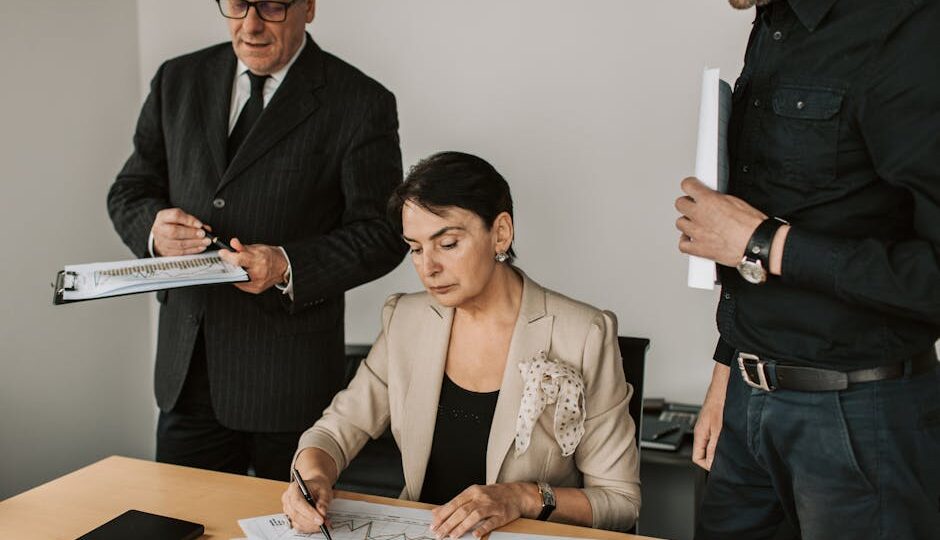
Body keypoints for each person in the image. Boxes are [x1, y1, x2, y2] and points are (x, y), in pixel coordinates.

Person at [107, 0, 405, 480]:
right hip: (187, 378)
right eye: (238, 4)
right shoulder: (176, 80)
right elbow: (130, 190)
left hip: (290, 386)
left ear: (307, 8)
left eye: (270, 5)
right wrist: (154, 229)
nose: (250, 25)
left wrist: (287, 265)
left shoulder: (361, 101)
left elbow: (385, 233)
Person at [675, 0, 940, 538]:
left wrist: (765, 242)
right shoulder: (774, 23)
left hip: (862, 419)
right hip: (748, 404)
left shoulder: (908, 27)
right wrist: (727, 370)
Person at [281, 152, 641, 535]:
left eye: (448, 243)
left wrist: (521, 497)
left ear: (500, 233)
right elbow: (337, 429)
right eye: (416, 249)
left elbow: (621, 502)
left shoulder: (583, 333)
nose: (428, 267)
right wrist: (313, 475)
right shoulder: (405, 318)